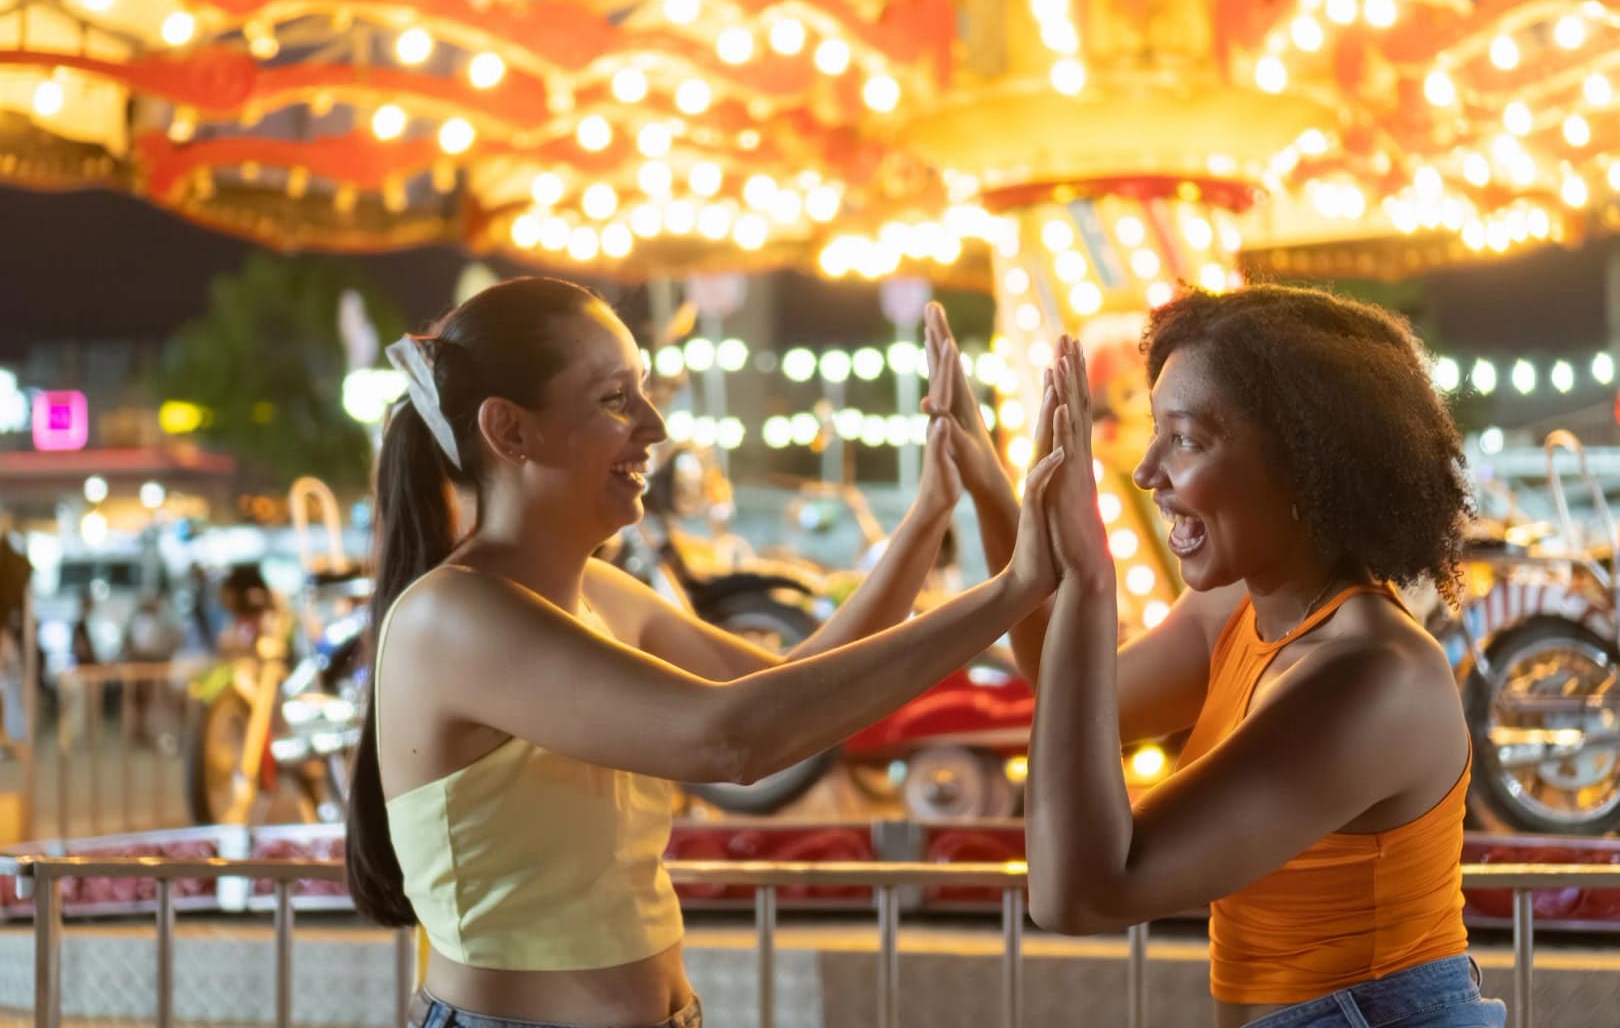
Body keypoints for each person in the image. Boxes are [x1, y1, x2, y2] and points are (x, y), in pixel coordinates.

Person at [344, 277, 1063, 1028]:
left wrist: (932, 507)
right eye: (615, 399)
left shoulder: (603, 595)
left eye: (644, 393)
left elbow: (794, 687)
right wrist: (1012, 592)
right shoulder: (454, 616)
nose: (654, 425)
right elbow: (731, 739)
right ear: (511, 432)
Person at [930, 286, 1501, 1028]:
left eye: (1187, 440)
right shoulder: (1233, 612)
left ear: (1305, 464)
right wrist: (1000, 494)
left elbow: (1081, 892)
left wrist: (1092, 574)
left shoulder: (1373, 676)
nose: (1146, 472)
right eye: (1153, 433)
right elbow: (1070, 689)